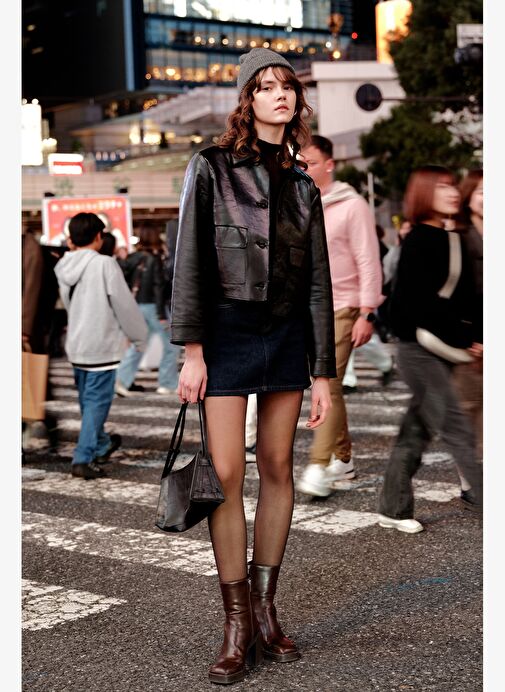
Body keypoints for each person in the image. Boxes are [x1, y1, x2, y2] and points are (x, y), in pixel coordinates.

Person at [170, 48, 335, 685]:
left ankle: (265, 609)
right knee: (225, 474)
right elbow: (189, 259)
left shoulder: (302, 184)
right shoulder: (210, 166)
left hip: (287, 337)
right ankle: (236, 624)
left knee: (277, 467)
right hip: (226, 334)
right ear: (248, 99)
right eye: (265, 87)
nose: (279, 95)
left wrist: (323, 372)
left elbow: (318, 284)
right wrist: (192, 351)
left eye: (286, 85)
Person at [377, 165, 483, 533]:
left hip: (443, 346)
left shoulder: (453, 237)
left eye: (453, 186)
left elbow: (468, 299)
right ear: (424, 194)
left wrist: (476, 336)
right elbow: (412, 305)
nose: (452, 193)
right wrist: (464, 336)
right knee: (457, 428)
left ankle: (393, 508)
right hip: (418, 348)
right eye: (441, 187)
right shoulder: (420, 239)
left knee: (416, 430)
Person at [296, 134, 383, 498]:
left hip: (344, 305)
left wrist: (368, 311)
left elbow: (368, 259)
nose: (304, 169)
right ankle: (343, 457)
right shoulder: (300, 202)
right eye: (300, 163)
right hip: (309, 309)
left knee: (328, 382)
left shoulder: (352, 205)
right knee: (327, 384)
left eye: (311, 163)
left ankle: (318, 465)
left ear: (330, 165)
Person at [55, 212, 147, 479]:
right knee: (97, 402)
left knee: (88, 401)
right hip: (101, 344)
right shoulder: (105, 264)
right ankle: (83, 458)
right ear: (98, 237)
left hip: (76, 343)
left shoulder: (63, 265)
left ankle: (102, 443)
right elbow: (123, 304)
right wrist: (139, 336)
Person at [115, 227, 181, 396]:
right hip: (154, 307)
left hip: (137, 306)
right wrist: (161, 314)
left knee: (139, 344)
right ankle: (167, 383)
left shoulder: (132, 258)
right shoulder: (155, 258)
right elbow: (158, 287)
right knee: (172, 346)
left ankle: (121, 380)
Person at [452, 169, 483, 477]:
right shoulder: (458, 237)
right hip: (470, 337)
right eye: (483, 192)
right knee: (470, 406)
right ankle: (469, 478)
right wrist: (468, 336)